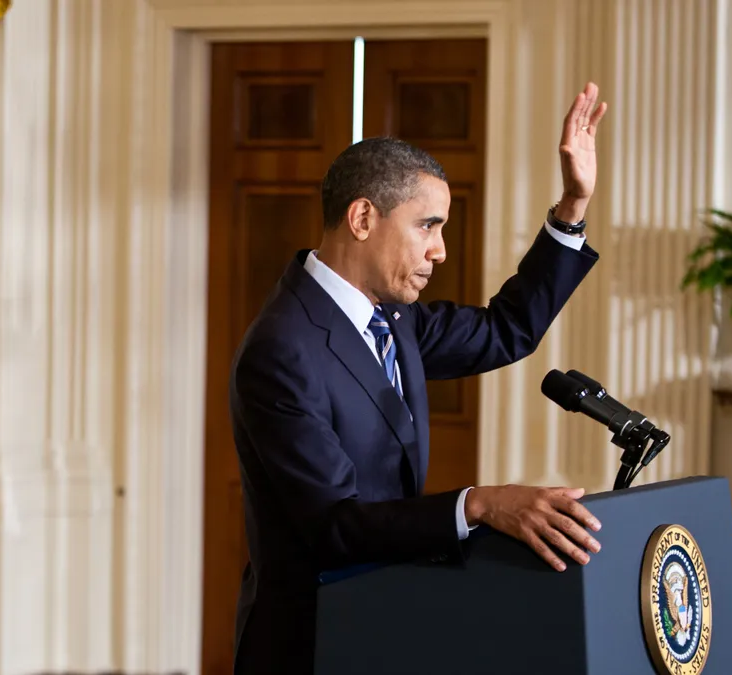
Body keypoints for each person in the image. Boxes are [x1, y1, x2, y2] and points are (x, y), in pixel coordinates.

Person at [228, 83, 610, 674]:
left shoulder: (394, 317)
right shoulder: (282, 350)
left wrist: (572, 206)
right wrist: (480, 505)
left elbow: (507, 330)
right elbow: (335, 524)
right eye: (427, 226)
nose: (441, 251)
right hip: (310, 645)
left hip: (387, 621)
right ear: (362, 218)